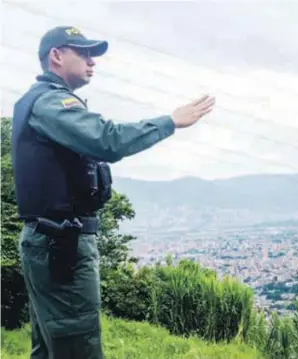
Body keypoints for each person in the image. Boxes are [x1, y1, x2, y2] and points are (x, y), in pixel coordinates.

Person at [11, 26, 215, 359]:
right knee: (78, 342)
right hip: (61, 244)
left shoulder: (36, 101)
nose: (93, 62)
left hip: (50, 239)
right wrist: (170, 121)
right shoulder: (51, 103)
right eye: (84, 53)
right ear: (57, 56)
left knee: (50, 346)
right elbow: (108, 140)